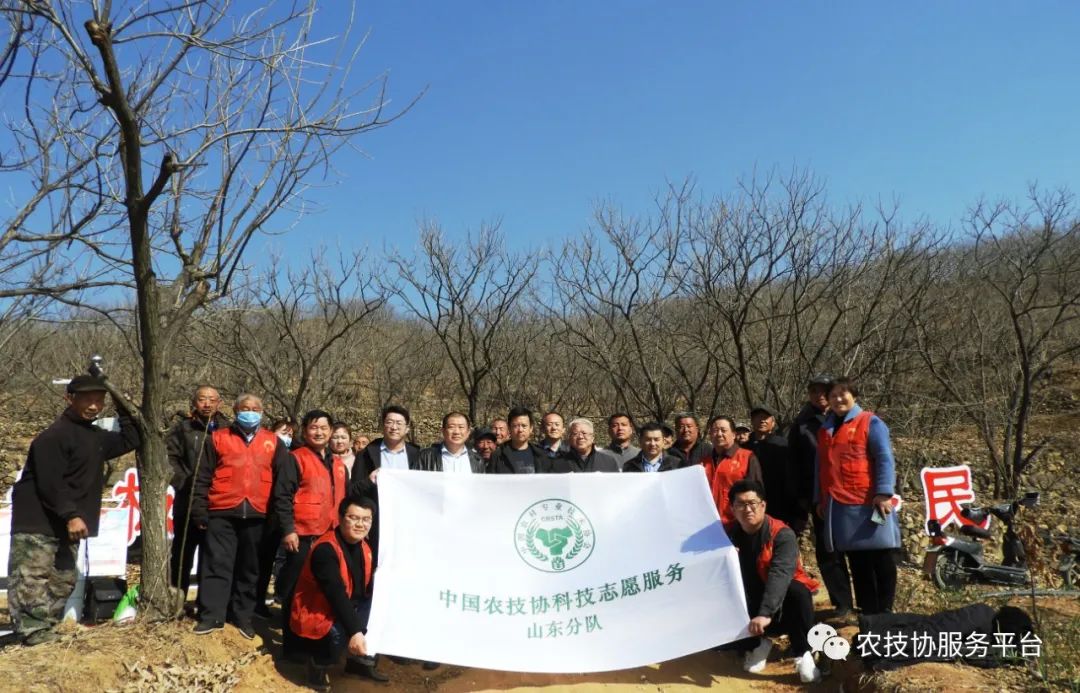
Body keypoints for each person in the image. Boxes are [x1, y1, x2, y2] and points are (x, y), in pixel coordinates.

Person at [8, 374, 140, 644]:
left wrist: (122, 404)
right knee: (32, 577)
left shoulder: (95, 436)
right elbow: (50, 483)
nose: (93, 406)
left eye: (99, 400)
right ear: (69, 398)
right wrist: (71, 515)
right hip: (39, 519)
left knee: (64, 578)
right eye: (87, 400)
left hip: (70, 522)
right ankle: (31, 632)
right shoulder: (53, 436)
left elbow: (132, 439)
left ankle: (47, 627)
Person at [190, 394, 291, 637]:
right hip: (222, 510)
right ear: (235, 411)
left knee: (250, 568)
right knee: (217, 564)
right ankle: (212, 615)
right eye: (245, 408)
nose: (250, 412)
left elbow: (282, 482)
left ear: (262, 413)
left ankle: (242, 616)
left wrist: (276, 517)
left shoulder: (273, 442)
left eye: (255, 409)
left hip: (258, 513)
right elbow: (202, 477)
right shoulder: (218, 437)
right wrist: (200, 509)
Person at [816, 376, 900, 615]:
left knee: (881, 556)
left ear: (854, 395)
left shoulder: (870, 422)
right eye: (833, 396)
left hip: (870, 502)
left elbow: (884, 458)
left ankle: (885, 610)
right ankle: (868, 611)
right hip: (841, 505)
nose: (838, 399)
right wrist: (820, 498)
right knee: (857, 559)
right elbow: (820, 467)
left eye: (843, 394)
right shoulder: (825, 429)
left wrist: (883, 492)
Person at [726, 481, 821, 683]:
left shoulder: (781, 534)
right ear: (732, 509)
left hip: (780, 606)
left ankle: (803, 653)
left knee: (798, 591)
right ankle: (757, 644)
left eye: (752, 503)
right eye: (741, 504)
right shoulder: (728, 536)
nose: (747, 509)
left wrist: (765, 613)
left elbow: (780, 574)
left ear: (763, 505)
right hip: (749, 603)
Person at [291, 496, 389, 689]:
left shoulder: (364, 546)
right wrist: (355, 631)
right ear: (341, 517)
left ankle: (358, 663)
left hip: (350, 603)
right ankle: (318, 664)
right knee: (338, 635)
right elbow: (336, 595)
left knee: (380, 610)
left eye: (366, 519)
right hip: (318, 610)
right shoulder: (326, 550)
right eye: (354, 518)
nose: (360, 524)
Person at [274, 409, 349, 657]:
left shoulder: (338, 464)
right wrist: (288, 530)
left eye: (324, 428)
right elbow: (282, 497)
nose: (319, 432)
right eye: (314, 428)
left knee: (322, 591)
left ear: (331, 431)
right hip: (302, 535)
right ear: (305, 431)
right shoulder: (295, 458)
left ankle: (316, 643)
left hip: (330, 537)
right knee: (295, 588)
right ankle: (292, 647)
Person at [789, 374, 853, 616]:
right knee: (829, 551)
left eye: (824, 390)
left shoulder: (848, 418)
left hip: (852, 495)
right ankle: (842, 602)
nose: (820, 395)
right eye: (814, 391)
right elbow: (794, 465)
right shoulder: (801, 424)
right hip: (821, 499)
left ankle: (868, 603)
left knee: (857, 549)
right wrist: (803, 499)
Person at [166, 385, 229, 608]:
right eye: (202, 399)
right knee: (182, 554)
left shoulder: (228, 430)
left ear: (219, 403)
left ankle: (206, 604)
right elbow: (169, 459)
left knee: (212, 556)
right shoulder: (182, 429)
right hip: (187, 499)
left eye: (212, 399)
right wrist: (185, 481)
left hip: (218, 501)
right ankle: (176, 601)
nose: (207, 404)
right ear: (194, 402)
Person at [745, 405, 804, 534]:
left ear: (773, 422)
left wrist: (798, 510)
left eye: (766, 417)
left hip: (781, 504)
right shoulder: (744, 448)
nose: (762, 420)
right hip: (751, 504)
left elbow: (794, 477)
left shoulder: (784, 446)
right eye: (758, 417)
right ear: (752, 421)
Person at [704, 415, 763, 524]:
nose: (719, 434)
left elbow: (756, 495)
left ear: (734, 434)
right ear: (710, 435)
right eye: (715, 431)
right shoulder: (704, 462)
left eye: (723, 430)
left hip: (737, 524)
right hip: (708, 523)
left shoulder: (747, 457)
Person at [414, 413, 485, 473]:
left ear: (468, 432)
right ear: (443, 431)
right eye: (451, 427)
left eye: (461, 427)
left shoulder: (478, 460)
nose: (456, 432)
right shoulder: (426, 456)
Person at [549, 418, 620, 473]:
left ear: (592, 437)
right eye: (575, 433)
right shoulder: (558, 461)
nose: (580, 437)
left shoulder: (608, 461)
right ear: (569, 438)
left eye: (584, 433)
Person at [490, 407, 548, 474]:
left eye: (524, 426)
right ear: (509, 428)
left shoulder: (541, 455)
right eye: (515, 426)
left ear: (531, 428)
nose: (520, 430)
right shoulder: (497, 455)